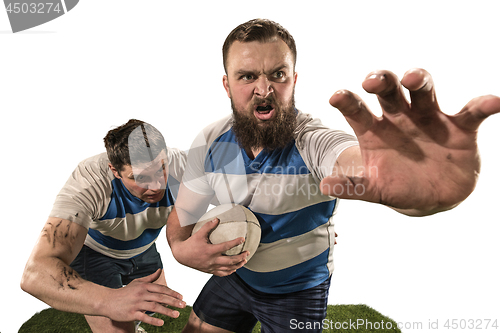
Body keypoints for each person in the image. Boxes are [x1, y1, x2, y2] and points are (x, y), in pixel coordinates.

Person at [166, 19, 500, 333]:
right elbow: (184, 214)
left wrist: (414, 186)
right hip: (236, 275)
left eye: (278, 74)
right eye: (247, 76)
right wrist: (181, 251)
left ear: (294, 79)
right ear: (227, 84)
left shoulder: (312, 140)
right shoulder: (210, 140)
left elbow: (349, 159)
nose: (264, 89)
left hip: (297, 291)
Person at [21, 119, 187, 333]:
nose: (156, 185)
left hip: (143, 247)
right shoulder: (89, 182)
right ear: (115, 171)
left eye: (160, 169)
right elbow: (35, 274)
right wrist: (109, 300)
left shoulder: (183, 165)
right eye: (140, 177)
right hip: (95, 252)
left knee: (159, 303)